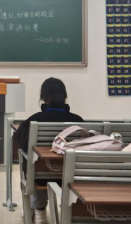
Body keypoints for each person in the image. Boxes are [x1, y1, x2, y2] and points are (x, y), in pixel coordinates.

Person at [15, 78, 84, 225]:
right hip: (70, 175)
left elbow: (21, 141)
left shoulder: (34, 120)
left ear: (44, 98)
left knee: (34, 163)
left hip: (40, 175)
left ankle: (39, 211)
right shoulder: (78, 121)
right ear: (64, 97)